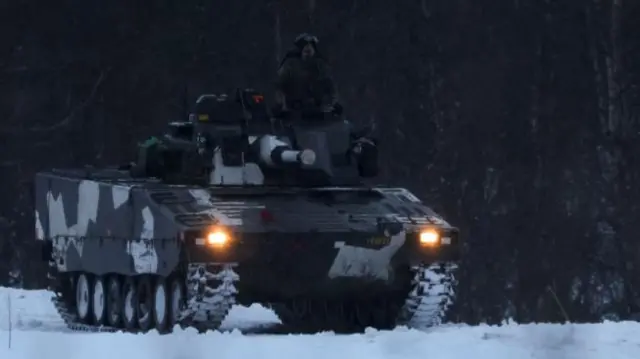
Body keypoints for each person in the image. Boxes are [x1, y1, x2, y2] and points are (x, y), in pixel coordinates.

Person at [274, 33, 339, 115]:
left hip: (318, 111)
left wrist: (327, 104)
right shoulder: (290, 65)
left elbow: (331, 89)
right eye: (305, 46)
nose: (308, 48)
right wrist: (282, 105)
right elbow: (279, 86)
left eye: (310, 46)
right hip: (294, 110)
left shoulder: (321, 66)